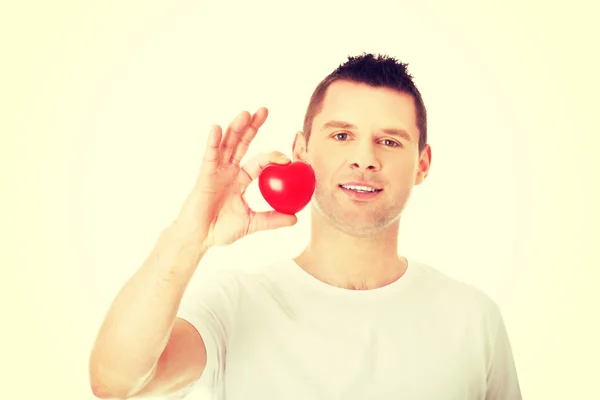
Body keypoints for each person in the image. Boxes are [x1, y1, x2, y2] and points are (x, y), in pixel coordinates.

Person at [89, 53, 522, 399]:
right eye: (341, 136)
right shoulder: (235, 305)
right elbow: (116, 382)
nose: (365, 158)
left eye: (389, 141)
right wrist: (190, 235)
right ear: (302, 149)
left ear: (422, 165)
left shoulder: (473, 318)